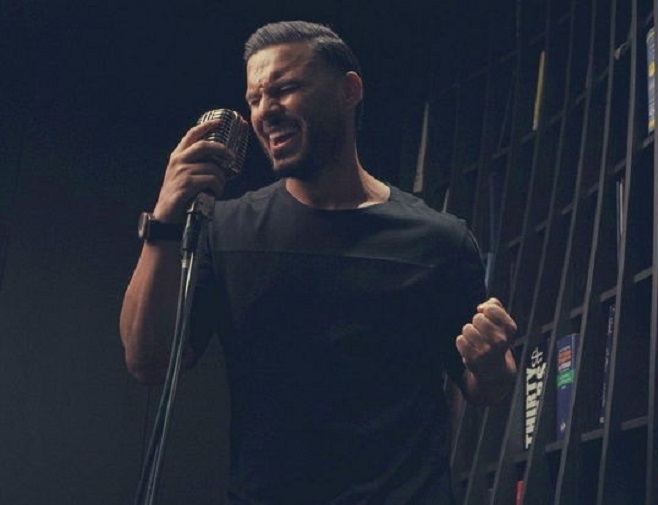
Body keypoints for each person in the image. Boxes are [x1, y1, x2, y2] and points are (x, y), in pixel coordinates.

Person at [120, 20, 517, 505]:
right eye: (254, 98)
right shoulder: (227, 230)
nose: (265, 111)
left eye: (284, 89)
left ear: (349, 91)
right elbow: (149, 363)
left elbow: (484, 386)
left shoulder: (438, 240)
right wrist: (164, 221)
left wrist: (492, 362)